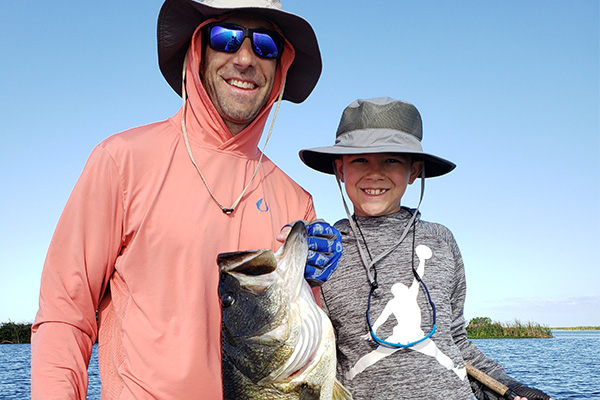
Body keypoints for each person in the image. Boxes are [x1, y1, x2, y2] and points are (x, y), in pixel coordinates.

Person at [31, 1, 341, 399]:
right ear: (199, 49)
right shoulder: (122, 160)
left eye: (266, 44)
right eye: (226, 37)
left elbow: (303, 351)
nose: (245, 57)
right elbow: (64, 314)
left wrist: (314, 286)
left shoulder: (297, 200)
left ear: (280, 65)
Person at [299, 97, 555, 399]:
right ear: (339, 170)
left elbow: (456, 339)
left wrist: (508, 387)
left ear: (414, 171)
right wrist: (300, 270)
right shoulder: (325, 252)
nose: (374, 173)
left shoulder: (442, 240)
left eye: (392, 160)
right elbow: (308, 352)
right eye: (359, 160)